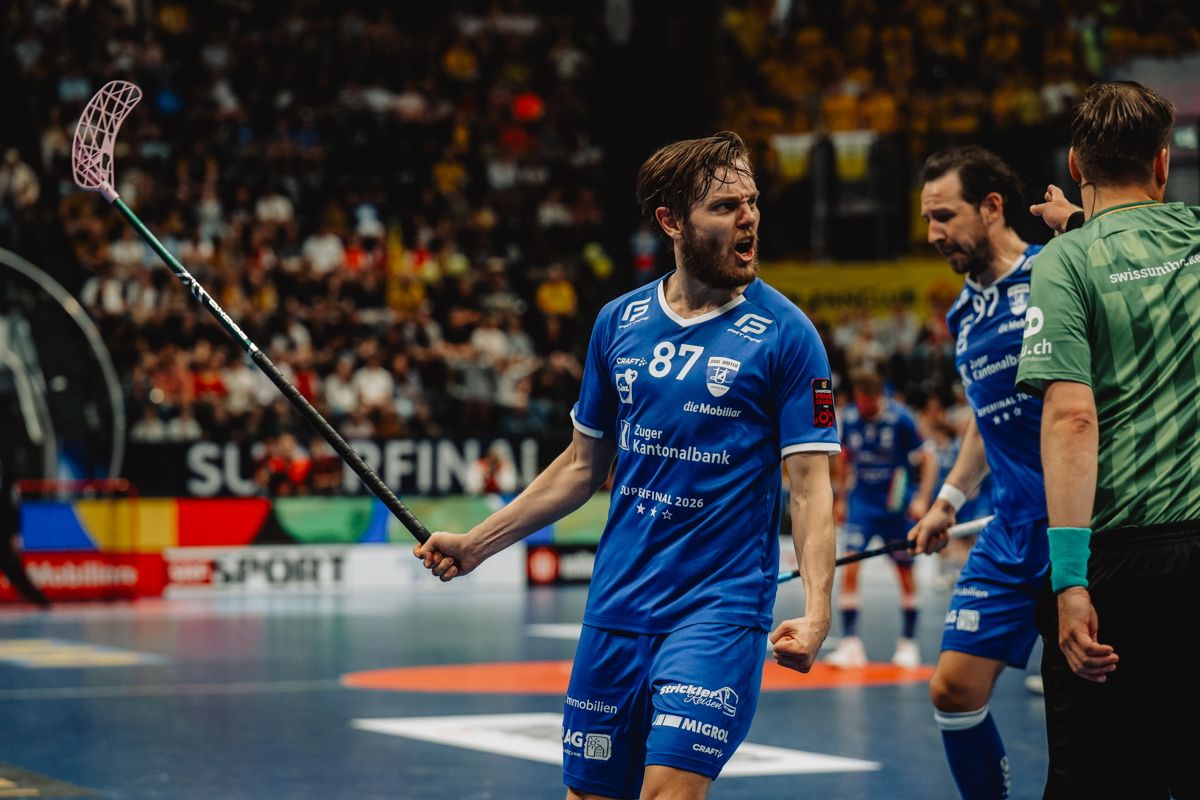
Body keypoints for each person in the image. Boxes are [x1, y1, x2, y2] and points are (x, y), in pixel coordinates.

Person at [414, 132, 840, 800]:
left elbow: (811, 489)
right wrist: (477, 544)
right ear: (671, 222)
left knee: (667, 792)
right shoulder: (619, 323)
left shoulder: (788, 335)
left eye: (752, 202)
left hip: (717, 609)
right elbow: (581, 465)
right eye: (725, 206)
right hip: (616, 605)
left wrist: (817, 612)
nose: (749, 218)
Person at [1015, 81, 1200, 799]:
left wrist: (1070, 581)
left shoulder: (1065, 262)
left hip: (1121, 564)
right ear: (1162, 162)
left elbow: (1071, 419)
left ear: (1074, 165)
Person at [907, 145, 1049, 800]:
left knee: (1105, 708)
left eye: (944, 216)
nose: (933, 234)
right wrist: (948, 499)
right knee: (954, 687)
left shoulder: (1055, 272)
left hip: (1087, 524)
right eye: (927, 220)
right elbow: (985, 416)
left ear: (992, 207)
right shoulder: (964, 313)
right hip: (1012, 530)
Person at [827, 371, 935, 669]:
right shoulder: (849, 417)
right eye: (860, 401)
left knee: (904, 572)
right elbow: (844, 456)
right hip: (862, 503)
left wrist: (922, 498)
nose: (864, 407)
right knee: (850, 566)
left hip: (894, 506)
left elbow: (929, 458)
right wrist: (841, 498)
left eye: (869, 402)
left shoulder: (901, 419)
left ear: (879, 397)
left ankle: (908, 644)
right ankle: (851, 645)